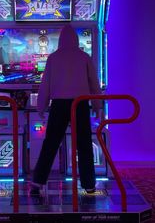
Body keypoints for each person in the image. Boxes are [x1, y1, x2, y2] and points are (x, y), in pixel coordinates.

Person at [31, 24, 102, 195]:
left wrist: (41, 106)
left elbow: (45, 85)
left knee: (50, 143)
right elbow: (94, 83)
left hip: (59, 104)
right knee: (84, 144)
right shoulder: (84, 57)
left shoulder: (53, 58)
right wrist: (98, 106)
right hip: (81, 103)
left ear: (61, 39)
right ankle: (89, 184)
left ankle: (38, 181)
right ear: (76, 40)